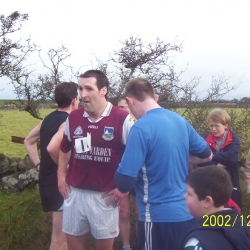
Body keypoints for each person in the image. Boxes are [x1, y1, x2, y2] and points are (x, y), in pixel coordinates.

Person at [107, 78, 212, 250]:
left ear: (130, 101)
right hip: (187, 213)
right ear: (153, 97)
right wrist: (173, 155)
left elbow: (125, 181)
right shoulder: (180, 121)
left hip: (156, 218)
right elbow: (207, 156)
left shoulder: (141, 128)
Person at [57, 70, 134, 250]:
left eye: (89, 89)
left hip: (105, 197)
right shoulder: (74, 117)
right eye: (80, 89)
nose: (83, 94)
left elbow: (137, 157)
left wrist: (124, 187)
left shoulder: (123, 119)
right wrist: (61, 174)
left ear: (103, 90)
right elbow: (64, 147)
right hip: (74, 193)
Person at [24, 82, 79, 250]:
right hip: (60, 185)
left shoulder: (47, 119)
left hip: (47, 182)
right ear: (74, 101)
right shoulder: (69, 120)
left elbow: (28, 141)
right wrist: (65, 170)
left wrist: (39, 165)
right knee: (59, 240)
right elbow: (52, 148)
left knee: (66, 239)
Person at [179, 166, 250, 250]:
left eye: (189, 194)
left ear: (207, 201)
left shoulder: (196, 244)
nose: (185, 196)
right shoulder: (244, 224)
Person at [198, 108, 242, 209]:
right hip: (210, 186)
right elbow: (201, 161)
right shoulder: (205, 139)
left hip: (231, 184)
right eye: (211, 126)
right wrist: (217, 166)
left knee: (233, 217)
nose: (213, 129)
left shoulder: (234, 139)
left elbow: (232, 159)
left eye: (216, 126)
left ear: (225, 125)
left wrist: (211, 156)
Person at [117, 95, 138, 250]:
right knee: (123, 213)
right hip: (121, 173)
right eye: (118, 107)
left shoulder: (139, 125)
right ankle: (126, 246)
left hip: (138, 176)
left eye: (123, 107)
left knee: (139, 213)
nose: (120, 110)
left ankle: (141, 243)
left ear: (131, 106)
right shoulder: (116, 125)